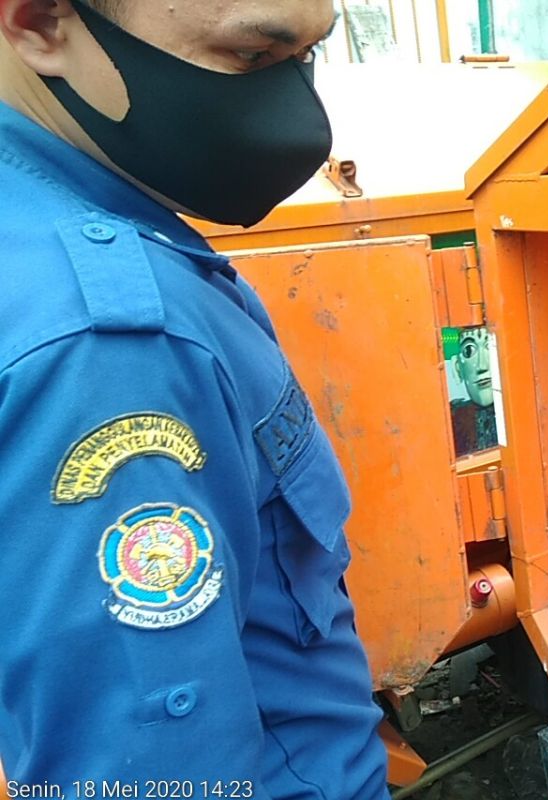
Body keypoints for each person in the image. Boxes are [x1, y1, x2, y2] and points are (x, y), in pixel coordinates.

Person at [0, 0, 387, 796]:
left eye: (312, 54)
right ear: (39, 23)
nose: (302, 121)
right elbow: (151, 769)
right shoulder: (109, 352)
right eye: (251, 57)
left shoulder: (52, 203)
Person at [449, 326, 498, 456]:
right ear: (458, 368)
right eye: (469, 351)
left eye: (490, 346)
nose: (482, 365)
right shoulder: (453, 422)